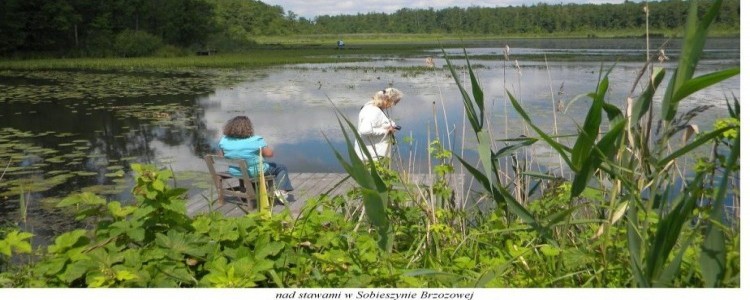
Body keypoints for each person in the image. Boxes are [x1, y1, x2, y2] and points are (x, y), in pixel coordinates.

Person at [218, 116, 293, 202]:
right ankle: (281, 191)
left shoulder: (225, 140)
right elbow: (269, 154)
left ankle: (255, 191)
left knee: (252, 165)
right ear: (248, 127)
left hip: (235, 171)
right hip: (254, 172)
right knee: (281, 168)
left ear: (230, 127)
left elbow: (222, 155)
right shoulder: (256, 140)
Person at [355, 87, 403, 161]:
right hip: (372, 158)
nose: (392, 106)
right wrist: (386, 131)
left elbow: (377, 123)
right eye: (394, 103)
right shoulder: (373, 111)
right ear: (388, 100)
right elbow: (365, 130)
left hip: (372, 156)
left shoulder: (372, 107)